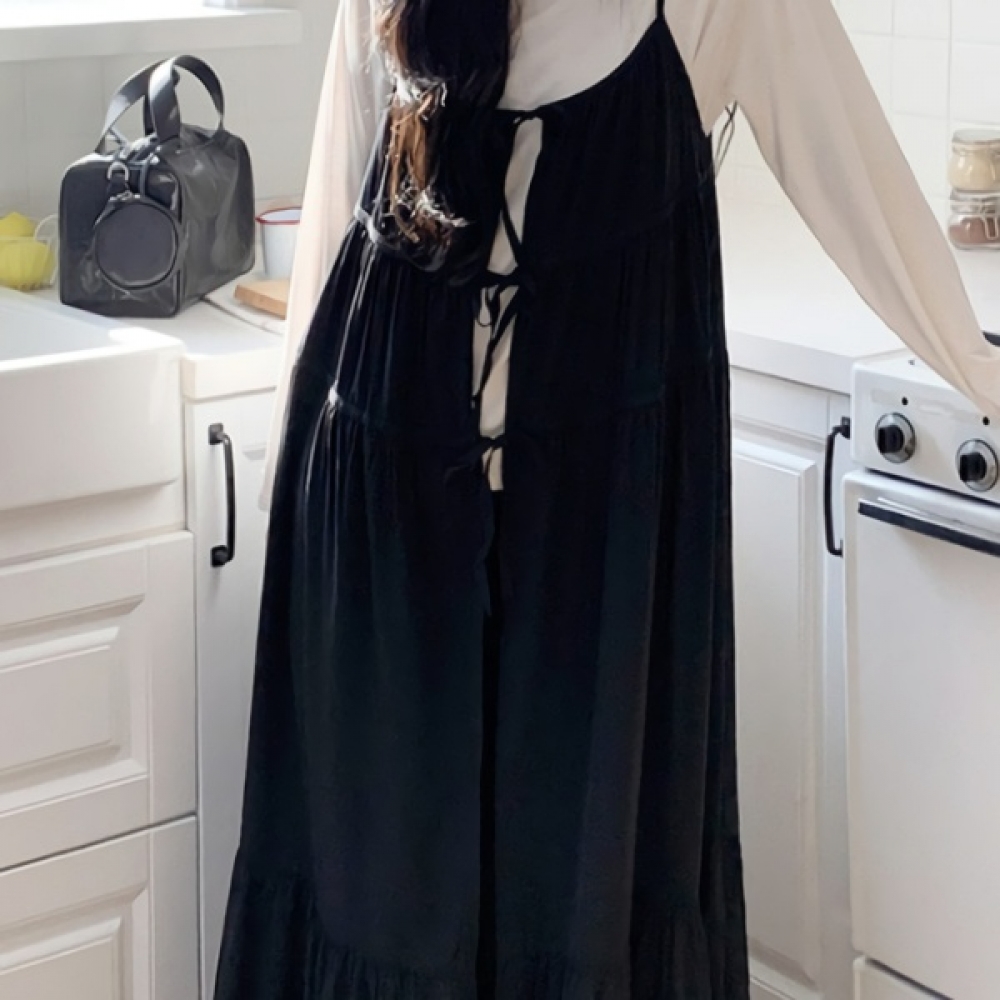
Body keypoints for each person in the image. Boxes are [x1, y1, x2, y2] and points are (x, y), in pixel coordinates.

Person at [215, 0, 1000, 998]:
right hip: (382, 499)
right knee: (382, 892)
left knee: (580, 889)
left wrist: (981, 376)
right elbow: (339, 203)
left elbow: (858, 179)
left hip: (599, 528)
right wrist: (292, 496)